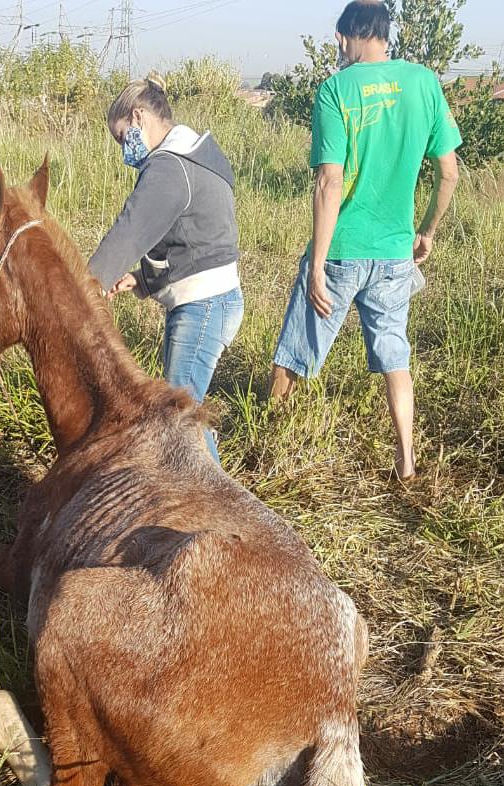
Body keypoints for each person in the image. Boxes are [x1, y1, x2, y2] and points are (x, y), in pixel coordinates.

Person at [270, 0, 462, 480]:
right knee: (396, 357)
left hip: (340, 252)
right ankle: (407, 460)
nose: (337, 47)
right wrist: (427, 232)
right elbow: (449, 173)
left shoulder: (335, 89)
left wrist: (316, 264)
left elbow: (328, 183)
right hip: (397, 252)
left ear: (353, 33)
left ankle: (267, 438)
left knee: (295, 353)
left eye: (340, 38)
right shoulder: (424, 83)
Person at [88, 73, 244, 463]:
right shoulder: (197, 151)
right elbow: (195, 237)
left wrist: (81, 289)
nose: (125, 149)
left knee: (180, 421)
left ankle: (212, 507)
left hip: (202, 306)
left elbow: (129, 232)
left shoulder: (169, 168)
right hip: (217, 298)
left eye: (123, 137)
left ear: (139, 117)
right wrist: (143, 279)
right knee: (187, 412)